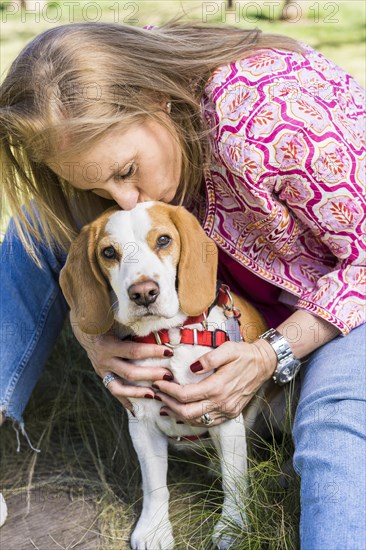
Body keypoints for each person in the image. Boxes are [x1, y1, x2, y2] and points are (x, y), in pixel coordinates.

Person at [0, 20, 365, 548]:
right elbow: (86, 243)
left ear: (157, 101)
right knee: (35, 226)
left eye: (127, 170)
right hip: (216, 281)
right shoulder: (103, 92)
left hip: (339, 298)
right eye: (96, 186)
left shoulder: (268, 113)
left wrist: (271, 354)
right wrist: (96, 338)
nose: (124, 200)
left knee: (338, 428)